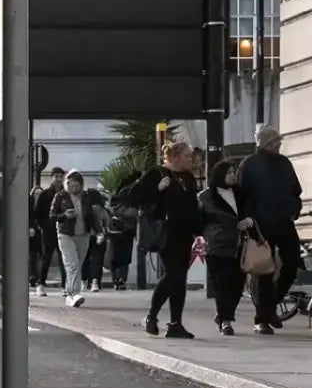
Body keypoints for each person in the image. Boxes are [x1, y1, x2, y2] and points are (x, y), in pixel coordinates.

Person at [127, 140, 201, 339]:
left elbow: (192, 206)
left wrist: (200, 230)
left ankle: (176, 323)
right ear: (175, 156)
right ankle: (151, 315)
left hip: (184, 233)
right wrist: (157, 190)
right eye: (187, 155)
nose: (190, 159)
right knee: (174, 273)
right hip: (165, 233)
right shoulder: (156, 173)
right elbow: (132, 197)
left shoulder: (188, 178)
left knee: (180, 278)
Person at [236, 124, 303, 332]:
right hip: (260, 225)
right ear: (267, 143)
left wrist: (295, 209)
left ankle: (270, 307)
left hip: (284, 223)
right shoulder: (249, 165)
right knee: (264, 271)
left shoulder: (284, 163)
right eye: (276, 141)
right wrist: (246, 223)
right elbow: (241, 195)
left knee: (292, 265)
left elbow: (295, 190)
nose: (279, 144)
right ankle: (262, 319)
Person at [198, 160, 254, 336]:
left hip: (240, 245)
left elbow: (251, 212)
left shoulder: (241, 194)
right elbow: (199, 222)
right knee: (222, 284)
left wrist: (250, 221)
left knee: (237, 284)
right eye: (229, 172)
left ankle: (225, 314)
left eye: (234, 172)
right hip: (217, 246)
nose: (233, 175)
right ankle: (226, 321)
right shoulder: (206, 197)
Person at [50, 170, 106, 308]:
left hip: (83, 234)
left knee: (77, 265)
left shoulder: (86, 197)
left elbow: (91, 216)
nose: (73, 188)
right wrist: (64, 216)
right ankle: (74, 294)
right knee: (72, 264)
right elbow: (52, 215)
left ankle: (69, 295)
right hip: (66, 234)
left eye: (76, 186)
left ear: (81, 185)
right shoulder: (60, 196)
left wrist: (99, 232)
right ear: (67, 184)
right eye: (70, 185)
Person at [32, 166, 67, 296]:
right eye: (56, 176)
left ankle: (65, 285)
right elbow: (38, 212)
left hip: (63, 230)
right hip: (49, 230)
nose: (58, 179)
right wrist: (44, 226)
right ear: (51, 178)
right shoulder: (45, 194)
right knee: (46, 257)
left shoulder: (66, 194)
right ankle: (40, 283)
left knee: (64, 258)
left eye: (60, 176)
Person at [106, 172, 139, 289]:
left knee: (114, 258)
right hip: (126, 233)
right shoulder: (131, 205)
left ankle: (116, 279)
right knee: (124, 258)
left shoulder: (115, 204)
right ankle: (120, 279)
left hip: (116, 233)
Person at [81, 185, 110, 292]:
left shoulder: (84, 208)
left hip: (85, 236)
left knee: (84, 260)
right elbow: (107, 224)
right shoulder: (102, 210)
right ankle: (95, 282)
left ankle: (83, 282)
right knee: (97, 260)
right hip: (99, 237)